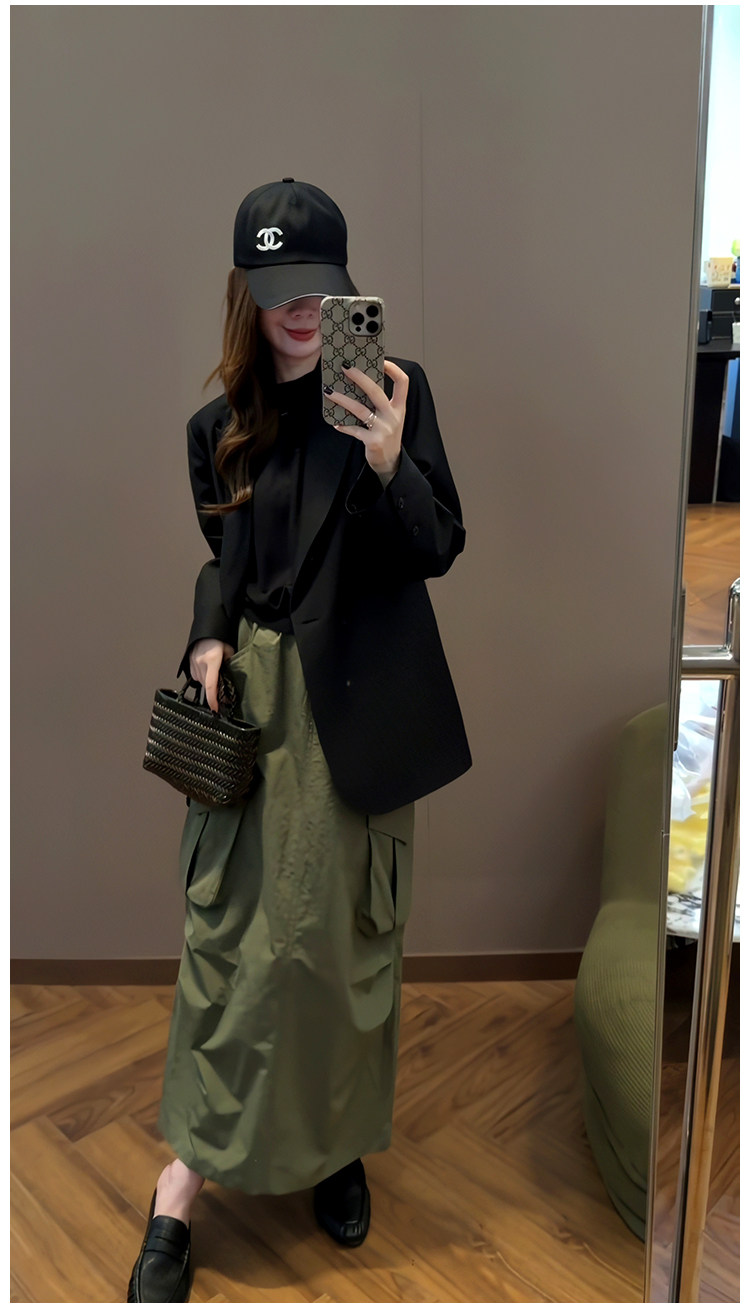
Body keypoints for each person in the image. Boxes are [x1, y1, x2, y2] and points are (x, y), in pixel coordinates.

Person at [127, 178, 472, 1303]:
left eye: (317, 286)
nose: (301, 309)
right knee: (228, 945)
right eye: (277, 288)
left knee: (336, 952)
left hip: (357, 708)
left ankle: (335, 1148)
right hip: (255, 707)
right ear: (249, 292)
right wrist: (206, 636)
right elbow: (221, 562)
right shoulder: (218, 430)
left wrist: (389, 463)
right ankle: (182, 1182)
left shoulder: (392, 395)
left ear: (343, 282)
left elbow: (437, 546)